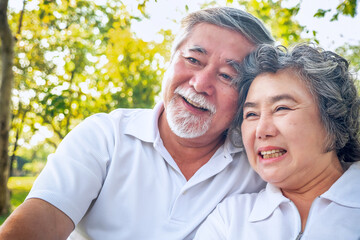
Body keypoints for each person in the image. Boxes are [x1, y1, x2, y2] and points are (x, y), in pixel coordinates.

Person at [0, 7, 274, 240]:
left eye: (227, 76)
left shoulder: (261, 164)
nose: (201, 84)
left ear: (249, 95)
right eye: (192, 60)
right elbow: (40, 218)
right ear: (168, 62)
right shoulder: (106, 136)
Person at [194, 43, 360, 239]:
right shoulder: (230, 219)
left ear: (334, 119)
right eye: (251, 114)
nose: (262, 131)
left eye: (281, 108)